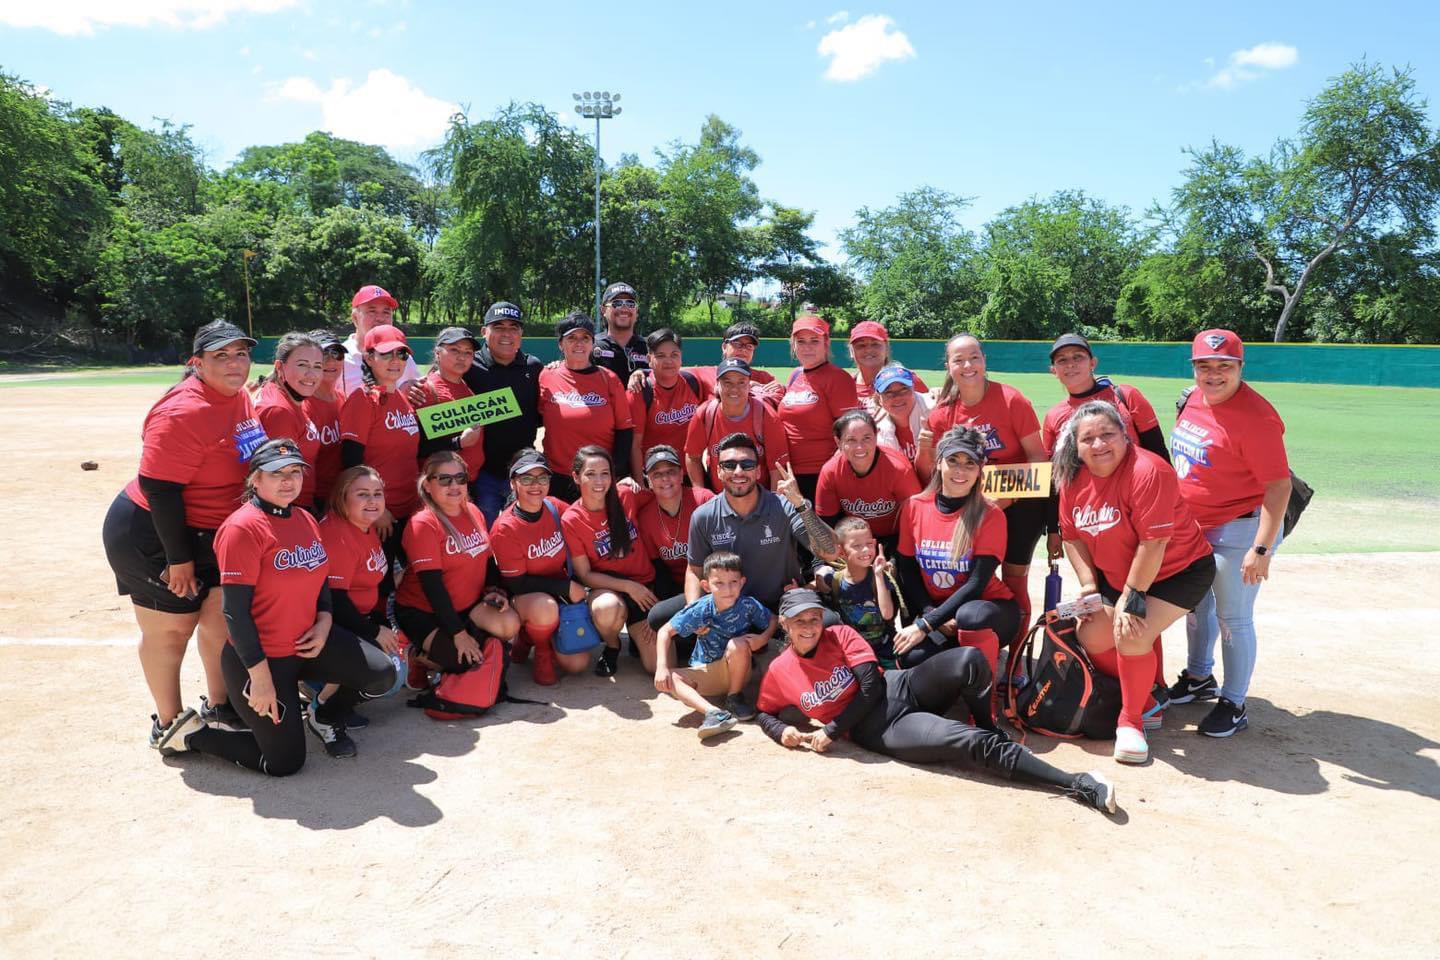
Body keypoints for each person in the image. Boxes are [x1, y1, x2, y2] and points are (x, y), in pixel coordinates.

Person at [753, 590, 1117, 813]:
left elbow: (871, 687)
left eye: (814, 618)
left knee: (970, 660)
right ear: (784, 624)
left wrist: (831, 730)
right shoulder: (780, 671)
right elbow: (764, 711)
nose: (809, 626)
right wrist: (780, 728)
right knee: (967, 742)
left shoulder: (840, 633)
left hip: (898, 688)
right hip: (882, 728)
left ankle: (989, 725)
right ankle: (1078, 783)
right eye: (799, 621)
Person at [174, 439, 397, 774]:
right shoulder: (242, 528)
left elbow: (320, 579)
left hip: (309, 643)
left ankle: (323, 715)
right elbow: (234, 611)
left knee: (381, 674)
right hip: (262, 659)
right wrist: (260, 677)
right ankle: (193, 736)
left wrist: (324, 622)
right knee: (284, 762)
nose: (288, 480)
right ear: (255, 480)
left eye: (295, 472)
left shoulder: (306, 520)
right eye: (276, 473)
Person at [102, 319, 266, 752]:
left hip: (211, 531)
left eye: (241, 354)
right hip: (156, 532)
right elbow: (159, 489)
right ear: (197, 363)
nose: (235, 363)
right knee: (172, 630)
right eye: (221, 356)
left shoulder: (238, 396)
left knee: (219, 621)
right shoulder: (184, 409)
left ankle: (219, 704)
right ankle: (169, 722)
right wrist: (179, 559)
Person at [1054, 401, 1217, 764]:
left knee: (1131, 632)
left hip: (1178, 570)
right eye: (1088, 438)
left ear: (1125, 436)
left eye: (1108, 434)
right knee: (1092, 631)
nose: (1098, 445)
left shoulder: (1148, 470)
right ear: (1076, 446)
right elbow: (1072, 537)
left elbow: (1154, 542)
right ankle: (1146, 699)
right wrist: (1088, 585)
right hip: (1120, 574)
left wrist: (1132, 596)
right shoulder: (1071, 477)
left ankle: (1131, 722)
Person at [1169, 329, 1291, 738]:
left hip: (1238, 527)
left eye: (1224, 366)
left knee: (1233, 617)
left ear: (1240, 367)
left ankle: (1235, 702)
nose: (1214, 374)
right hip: (1194, 526)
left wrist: (1263, 548)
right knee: (1195, 605)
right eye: (1205, 365)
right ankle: (1199, 677)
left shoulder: (1257, 418)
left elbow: (1278, 487)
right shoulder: (1192, 398)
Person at [920, 333, 1048, 642]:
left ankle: (1015, 661)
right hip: (970, 506)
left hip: (1018, 504)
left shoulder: (1011, 400)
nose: (968, 365)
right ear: (949, 366)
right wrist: (924, 449)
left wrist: (1003, 498)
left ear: (984, 360)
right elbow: (932, 475)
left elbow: (1039, 461)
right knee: (969, 578)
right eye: (959, 359)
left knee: (1014, 581)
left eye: (974, 357)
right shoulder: (942, 413)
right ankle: (972, 640)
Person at [893, 428, 1019, 688]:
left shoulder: (990, 514)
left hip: (989, 611)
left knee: (970, 617)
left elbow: (976, 584)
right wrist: (931, 615)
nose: (961, 471)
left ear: (979, 470)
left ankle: (986, 706)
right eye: (953, 461)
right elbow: (906, 568)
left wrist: (927, 624)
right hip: (940, 614)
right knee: (910, 659)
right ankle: (964, 669)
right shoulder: (914, 507)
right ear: (939, 463)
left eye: (969, 463)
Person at [1041, 332, 1170, 568]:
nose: (1070, 364)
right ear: (1053, 370)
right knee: (1106, 578)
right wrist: (1053, 529)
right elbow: (1055, 480)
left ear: (1093, 363)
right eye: (1062, 360)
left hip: (1138, 503)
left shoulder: (1126, 396)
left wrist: (1170, 507)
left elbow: (1159, 454)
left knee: (1156, 571)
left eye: (1078, 357)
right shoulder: (1054, 416)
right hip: (1092, 515)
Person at [393, 452, 521, 681]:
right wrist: (458, 634)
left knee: (509, 624)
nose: (454, 485)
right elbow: (433, 587)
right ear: (428, 485)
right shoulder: (423, 524)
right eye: (444, 479)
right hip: (424, 611)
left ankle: (455, 646)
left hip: (466, 605)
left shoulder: (473, 511)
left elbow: (487, 559)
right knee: (464, 664)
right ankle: (416, 655)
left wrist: (495, 591)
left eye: (460, 478)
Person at [685, 433, 839, 614]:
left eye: (747, 465)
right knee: (659, 617)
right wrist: (693, 610)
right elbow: (695, 570)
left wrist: (800, 504)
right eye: (729, 465)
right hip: (731, 608)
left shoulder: (785, 506)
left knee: (830, 622)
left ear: (758, 471)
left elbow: (831, 552)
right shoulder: (704, 516)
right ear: (718, 471)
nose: (738, 472)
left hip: (784, 604)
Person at [490, 450, 594, 685]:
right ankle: (541, 650)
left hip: (558, 595)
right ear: (513, 483)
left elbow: (586, 518)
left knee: (577, 665)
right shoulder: (505, 527)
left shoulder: (554, 506)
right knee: (544, 607)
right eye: (526, 479)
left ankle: (527, 638)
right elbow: (516, 583)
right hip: (526, 599)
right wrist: (566, 586)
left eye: (542, 478)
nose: (535, 485)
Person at [653, 551, 776, 739]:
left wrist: (764, 638)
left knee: (738, 644)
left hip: (738, 669)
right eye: (719, 583)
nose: (727, 589)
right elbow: (664, 631)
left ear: (742, 582)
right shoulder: (700, 609)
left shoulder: (749, 605)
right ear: (706, 586)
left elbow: (773, 619)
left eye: (733, 582)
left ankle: (735, 697)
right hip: (706, 671)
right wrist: (661, 666)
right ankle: (713, 713)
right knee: (670, 677)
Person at [560, 446, 659, 677]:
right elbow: (584, 574)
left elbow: (659, 500)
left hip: (645, 587)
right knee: (607, 610)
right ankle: (613, 645)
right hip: (608, 588)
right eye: (590, 474)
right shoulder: (572, 519)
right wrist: (628, 587)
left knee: (655, 667)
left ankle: (636, 636)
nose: (599, 481)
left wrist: (635, 483)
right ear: (576, 476)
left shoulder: (626, 495)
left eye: (605, 473)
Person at [314, 465, 398, 738]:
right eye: (362, 494)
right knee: (387, 675)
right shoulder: (337, 535)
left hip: (356, 620)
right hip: (329, 623)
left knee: (396, 664)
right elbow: (334, 600)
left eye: (377, 493)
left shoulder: (365, 526)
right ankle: (323, 703)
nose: (372, 501)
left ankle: (339, 694)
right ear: (342, 497)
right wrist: (373, 632)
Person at [339, 324, 421, 563]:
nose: (395, 360)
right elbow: (351, 463)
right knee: (380, 588)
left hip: (409, 508)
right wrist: (376, 509)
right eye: (386, 354)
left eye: (401, 354)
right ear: (369, 358)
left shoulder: (402, 400)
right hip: (381, 515)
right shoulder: (363, 399)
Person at [461, 301, 544, 525]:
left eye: (513, 327)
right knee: (482, 538)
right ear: (484, 331)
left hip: (524, 472)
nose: (506, 334)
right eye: (498, 327)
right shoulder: (468, 366)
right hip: (482, 475)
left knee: (524, 535)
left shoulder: (534, 367)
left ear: (521, 333)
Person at [538, 312, 635, 501]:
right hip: (557, 477)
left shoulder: (609, 379)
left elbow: (624, 431)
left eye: (585, 338)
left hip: (598, 478)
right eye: (571, 338)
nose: (579, 343)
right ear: (560, 344)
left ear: (593, 343)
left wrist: (612, 473)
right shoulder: (546, 376)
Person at [777, 315, 860, 500]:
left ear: (826, 343)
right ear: (793, 345)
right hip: (791, 474)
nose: (807, 347)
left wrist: (830, 474)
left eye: (814, 340)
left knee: (820, 528)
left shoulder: (838, 379)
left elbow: (850, 433)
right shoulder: (795, 376)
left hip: (821, 472)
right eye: (801, 341)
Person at [814, 409, 921, 553]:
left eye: (867, 438)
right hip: (855, 542)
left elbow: (916, 519)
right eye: (851, 440)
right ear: (838, 442)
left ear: (876, 436)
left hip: (897, 538)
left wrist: (899, 559)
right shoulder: (831, 471)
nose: (860, 447)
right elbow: (826, 524)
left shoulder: (898, 469)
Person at [684, 358, 790, 491]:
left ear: (749, 385)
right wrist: (701, 493)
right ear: (717, 385)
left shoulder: (766, 415)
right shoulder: (705, 414)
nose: (734, 389)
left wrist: (773, 505)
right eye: (727, 383)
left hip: (759, 498)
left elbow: (777, 468)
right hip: (720, 497)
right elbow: (693, 456)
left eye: (741, 382)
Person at [636, 445, 715, 623]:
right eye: (657, 474)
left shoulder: (704, 500)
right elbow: (659, 569)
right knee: (657, 617)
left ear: (681, 474)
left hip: (713, 584)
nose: (665, 478)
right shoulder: (646, 516)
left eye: (670, 471)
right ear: (648, 481)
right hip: (677, 590)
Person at [254, 332, 324, 511]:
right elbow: (277, 481)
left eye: (317, 366)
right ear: (279, 366)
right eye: (302, 365)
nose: (311, 374)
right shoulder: (279, 411)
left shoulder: (290, 397)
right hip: (290, 508)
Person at [822, 517, 900, 668]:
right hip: (854, 652)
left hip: (885, 648)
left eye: (869, 544)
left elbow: (887, 614)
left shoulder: (879, 575)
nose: (865, 550)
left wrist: (878, 574)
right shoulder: (834, 580)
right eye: (857, 546)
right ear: (842, 551)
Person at [627, 329, 705, 480]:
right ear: (649, 359)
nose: (669, 361)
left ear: (681, 358)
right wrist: (640, 482)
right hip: (655, 476)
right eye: (660, 356)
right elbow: (634, 445)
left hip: (689, 473)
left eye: (674, 355)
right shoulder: (640, 390)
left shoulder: (693, 381)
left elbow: (731, 379)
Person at [415, 327, 485, 486]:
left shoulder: (466, 388)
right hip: (442, 485)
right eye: (454, 350)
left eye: (468, 352)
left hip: (469, 482)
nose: (462, 357)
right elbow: (416, 445)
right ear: (437, 353)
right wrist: (459, 442)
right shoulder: (425, 389)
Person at [340, 284, 418, 395]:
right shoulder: (340, 358)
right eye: (372, 311)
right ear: (355, 318)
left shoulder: (403, 357)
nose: (380, 318)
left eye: (386, 312)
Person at [303, 330, 348, 509]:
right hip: (316, 500)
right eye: (323, 354)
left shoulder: (342, 397)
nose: (331, 361)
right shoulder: (304, 405)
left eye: (336, 354)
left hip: (342, 496)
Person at [691, 321, 783, 407]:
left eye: (749, 346)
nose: (744, 349)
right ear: (724, 347)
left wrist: (782, 390)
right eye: (737, 344)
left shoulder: (764, 379)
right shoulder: (702, 375)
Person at [870, 364, 932, 479]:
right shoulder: (875, 429)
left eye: (904, 389)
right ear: (879, 397)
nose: (897, 397)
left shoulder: (934, 410)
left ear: (913, 388)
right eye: (888, 392)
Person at [847, 320, 929, 403]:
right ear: (851, 351)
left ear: (886, 348)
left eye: (875, 344)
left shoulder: (906, 378)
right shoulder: (843, 384)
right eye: (861, 345)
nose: (868, 350)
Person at [593, 281, 648, 381]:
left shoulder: (649, 348)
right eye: (617, 303)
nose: (624, 308)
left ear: (637, 311)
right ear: (603, 310)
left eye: (630, 303)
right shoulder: (591, 346)